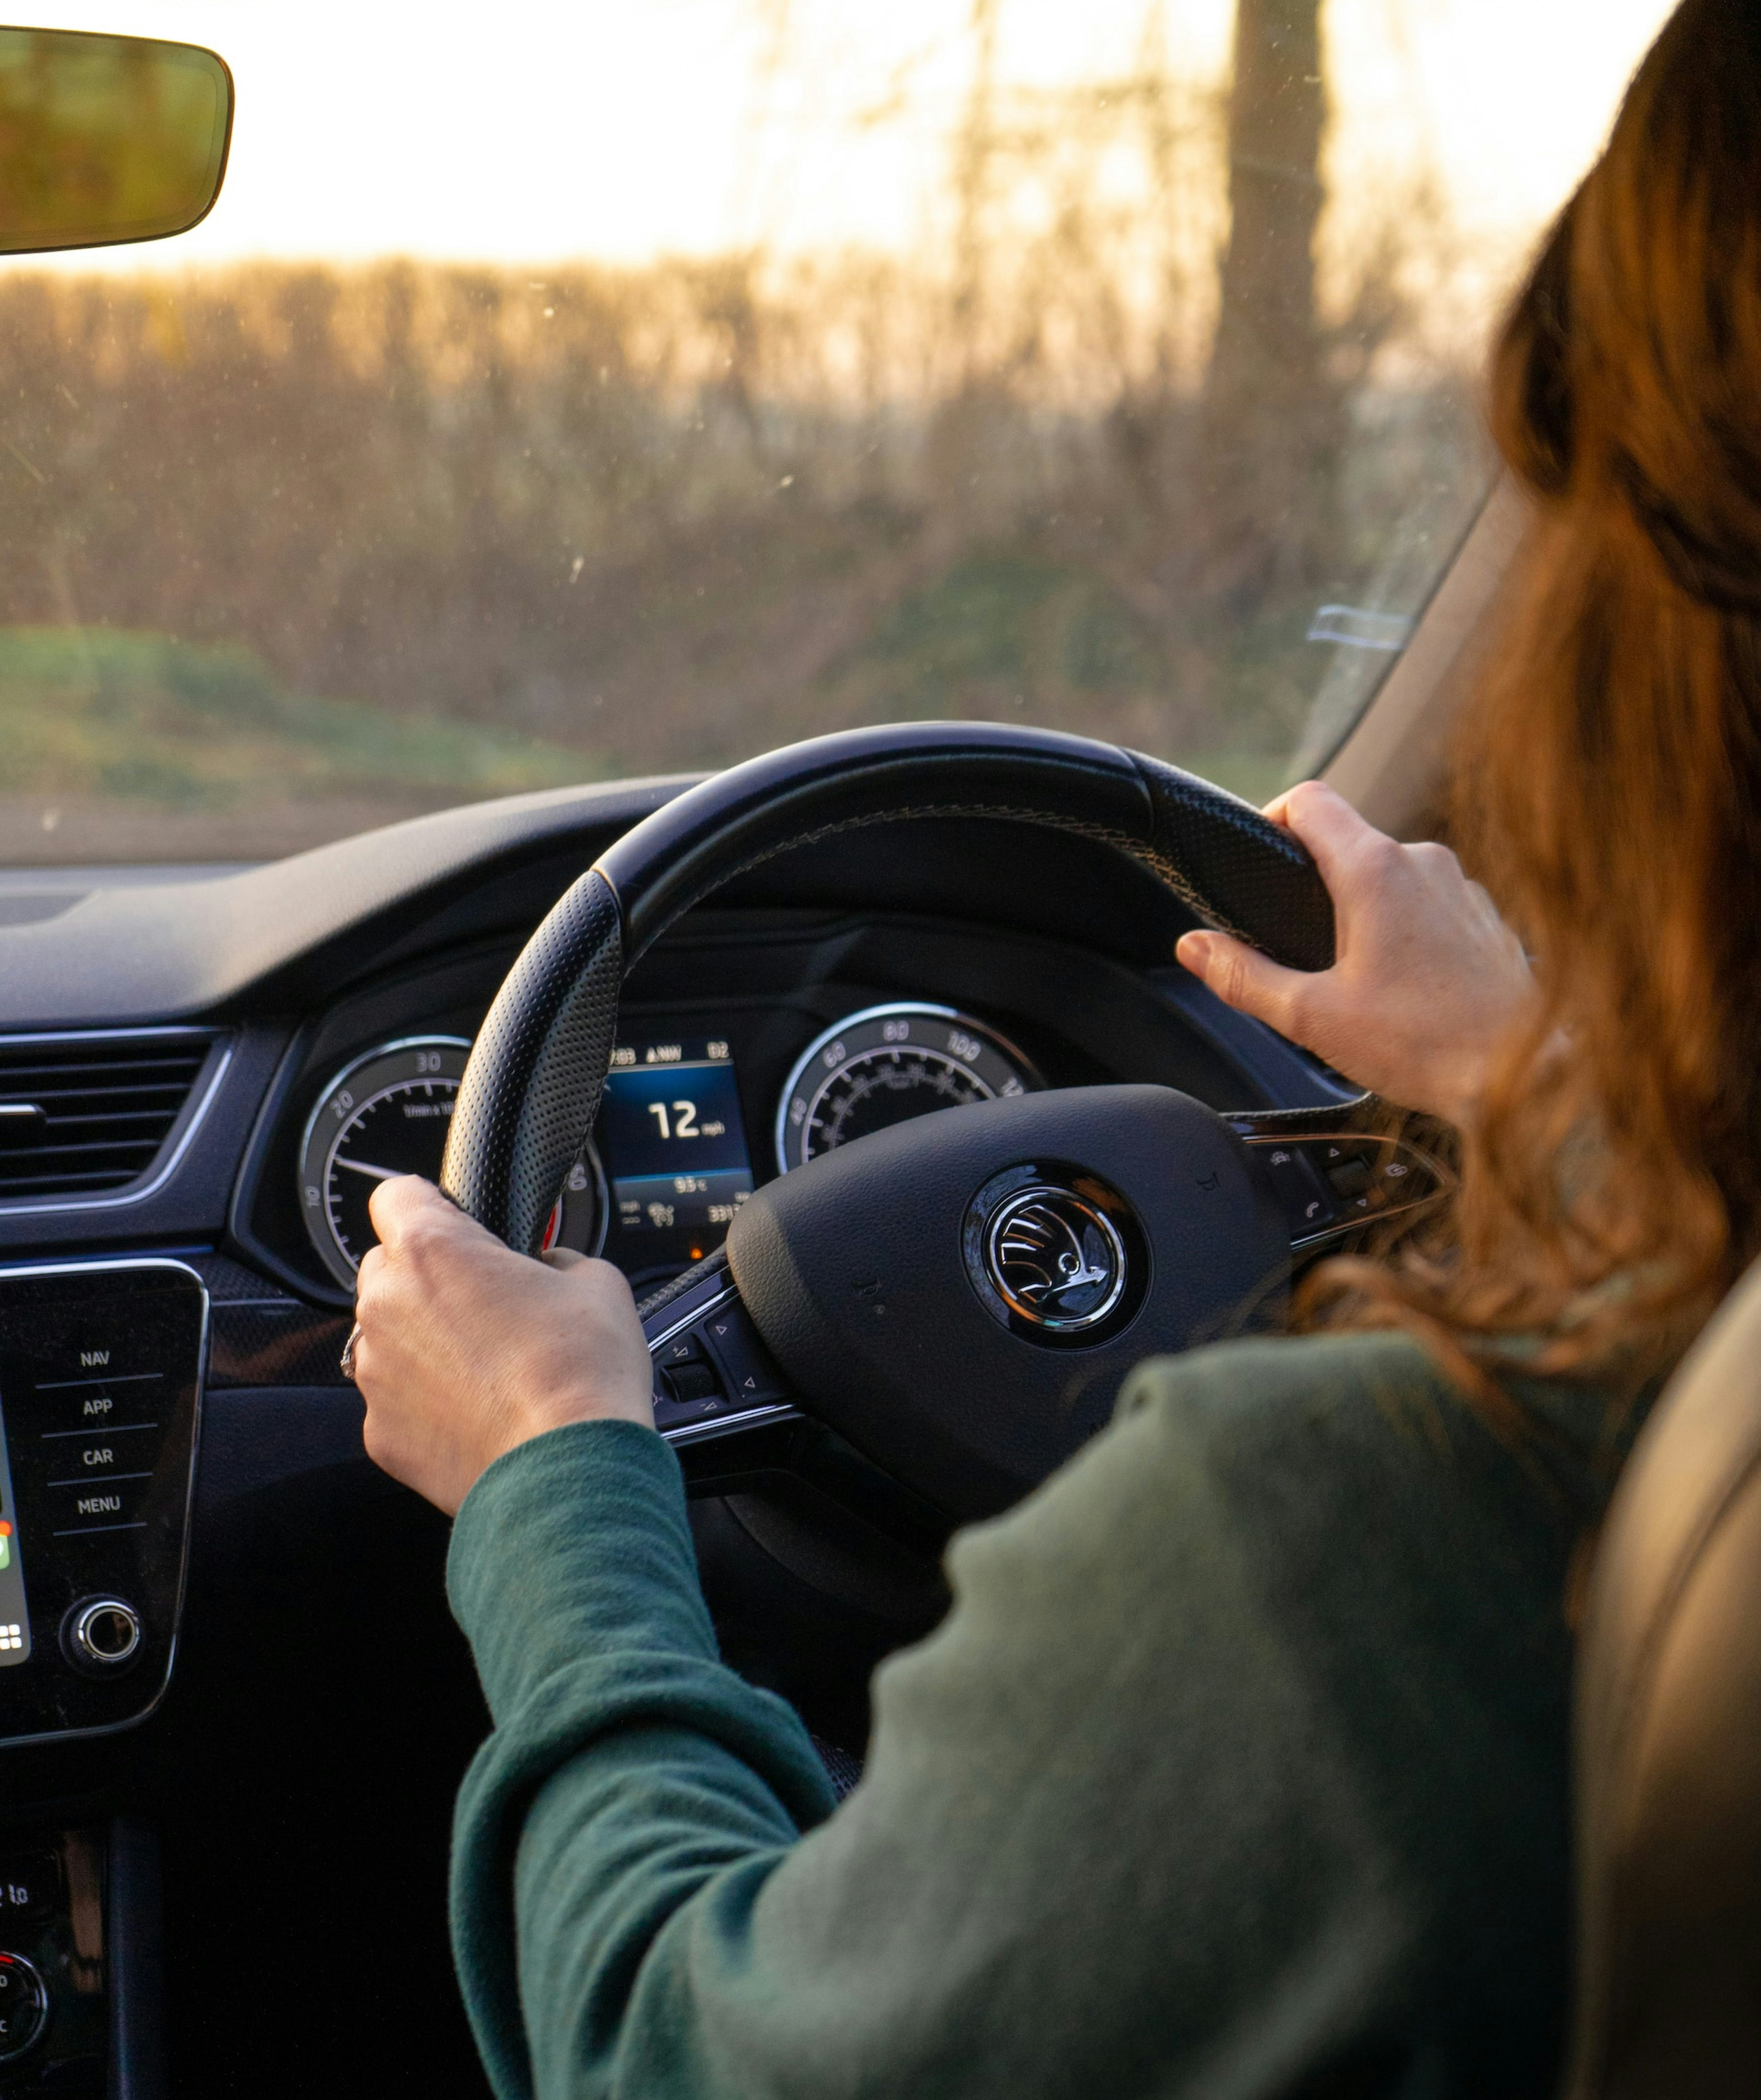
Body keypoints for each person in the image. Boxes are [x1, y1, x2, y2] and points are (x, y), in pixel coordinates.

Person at [350, 4, 1761, 2092]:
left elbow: (671, 2041)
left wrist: (559, 1475)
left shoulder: (1335, 1545)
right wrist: (1547, 1077)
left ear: (1629, 604)